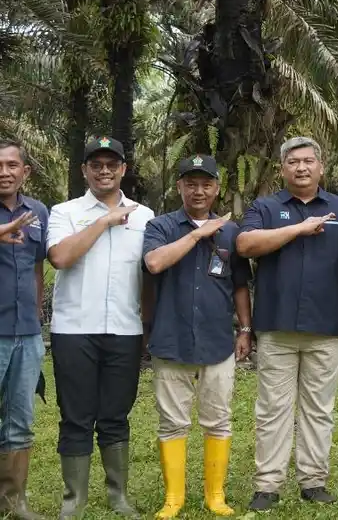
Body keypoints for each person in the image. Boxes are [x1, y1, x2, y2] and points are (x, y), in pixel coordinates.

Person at [236, 136, 338, 511]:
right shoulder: (266, 207)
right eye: (294, 162)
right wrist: (298, 228)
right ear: (282, 168)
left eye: (309, 161)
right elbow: (246, 245)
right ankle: (267, 485)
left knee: (318, 408)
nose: (302, 167)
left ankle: (313, 480)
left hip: (326, 326)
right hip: (276, 324)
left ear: (321, 167)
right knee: (273, 408)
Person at [47, 136, 154, 518]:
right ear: (85, 171)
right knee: (75, 415)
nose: (104, 170)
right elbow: (60, 256)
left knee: (114, 415)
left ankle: (118, 495)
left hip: (125, 330)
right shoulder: (64, 212)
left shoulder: (145, 216)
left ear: (124, 169)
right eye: (97, 164)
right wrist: (104, 221)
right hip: (74, 329)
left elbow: (149, 276)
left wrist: (148, 326)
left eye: (112, 164)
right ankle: (74, 499)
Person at [142, 155, 253, 518]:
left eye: (206, 184)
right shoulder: (160, 226)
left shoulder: (231, 233)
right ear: (179, 188)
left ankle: (215, 495)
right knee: (172, 421)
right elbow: (155, 263)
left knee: (218, 418)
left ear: (217, 188)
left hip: (218, 340)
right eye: (191, 183)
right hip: (171, 337)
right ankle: (173, 498)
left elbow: (240, 286)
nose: (199, 190)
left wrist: (245, 329)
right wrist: (196, 234)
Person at [0, 140, 49, 520]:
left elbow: (36, 268)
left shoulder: (38, 212)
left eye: (12, 164)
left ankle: (13, 502)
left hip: (27, 332)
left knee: (20, 419)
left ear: (25, 171)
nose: (5, 172)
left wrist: (37, 314)